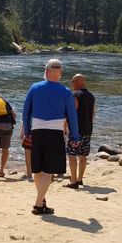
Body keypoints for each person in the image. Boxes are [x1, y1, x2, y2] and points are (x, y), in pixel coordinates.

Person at [22, 59, 80, 215]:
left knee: (38, 170)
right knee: (48, 171)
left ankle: (41, 201)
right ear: (60, 73)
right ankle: (38, 204)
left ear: (46, 71)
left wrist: (27, 131)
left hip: (37, 131)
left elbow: (26, 112)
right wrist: (75, 136)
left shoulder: (34, 88)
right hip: (55, 133)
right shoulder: (66, 92)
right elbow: (72, 117)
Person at [64, 74, 96, 189]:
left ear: (76, 82)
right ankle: (80, 179)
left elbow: (71, 114)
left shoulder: (75, 95)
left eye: (72, 82)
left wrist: (65, 127)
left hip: (76, 131)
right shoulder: (92, 96)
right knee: (83, 156)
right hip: (88, 129)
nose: (72, 84)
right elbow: (92, 114)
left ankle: (73, 181)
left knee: (72, 155)